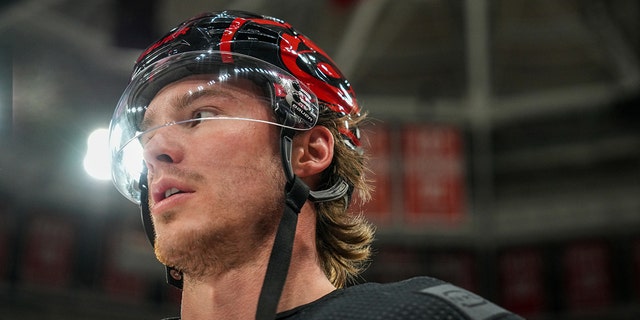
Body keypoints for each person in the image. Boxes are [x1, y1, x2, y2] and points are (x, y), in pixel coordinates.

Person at [108, 10, 523, 320]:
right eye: (146, 134)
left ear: (309, 152)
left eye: (201, 115)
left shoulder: (421, 316)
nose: (154, 149)